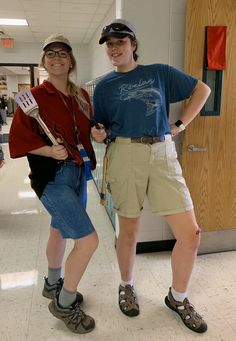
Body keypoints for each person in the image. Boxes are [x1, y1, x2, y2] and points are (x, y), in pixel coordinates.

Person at [91, 19, 211, 334]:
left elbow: (202, 89)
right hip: (125, 154)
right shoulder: (104, 86)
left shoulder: (158, 72)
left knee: (191, 234)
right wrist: (98, 133)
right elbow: (99, 125)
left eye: (120, 42)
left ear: (133, 45)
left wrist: (180, 125)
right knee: (129, 229)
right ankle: (127, 285)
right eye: (110, 44)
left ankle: (178, 298)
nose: (115, 48)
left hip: (161, 153)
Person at [9, 34, 99, 334]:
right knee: (88, 241)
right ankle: (64, 302)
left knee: (58, 229)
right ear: (43, 61)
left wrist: (98, 134)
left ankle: (51, 283)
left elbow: (88, 131)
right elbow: (19, 138)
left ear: (71, 61)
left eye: (63, 53)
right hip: (52, 178)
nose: (57, 58)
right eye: (50, 54)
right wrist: (48, 150)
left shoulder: (82, 96)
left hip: (78, 172)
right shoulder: (32, 97)